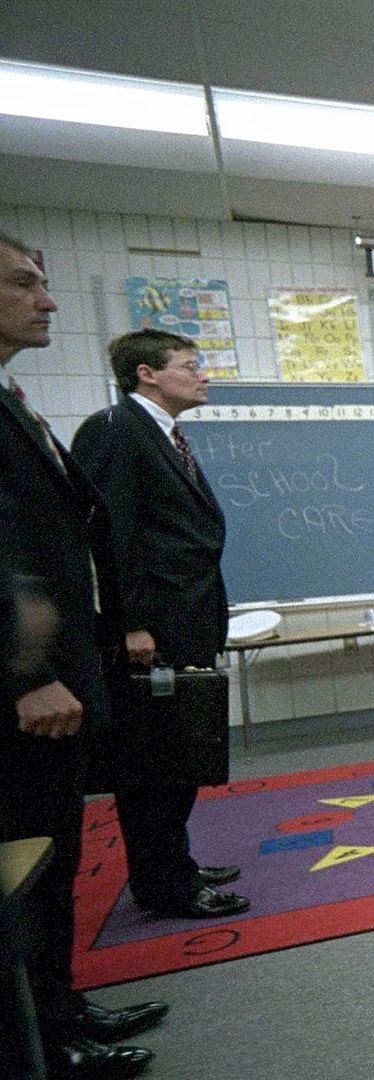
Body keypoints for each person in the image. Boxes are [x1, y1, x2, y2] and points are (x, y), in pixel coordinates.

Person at [0, 230, 160, 1078]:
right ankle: (39, 1044)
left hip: (62, 673)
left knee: (55, 855)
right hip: (26, 691)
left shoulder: (13, 400)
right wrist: (25, 673)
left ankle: (59, 1008)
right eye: (24, 283)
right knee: (25, 866)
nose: (49, 300)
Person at [71, 330, 249, 921]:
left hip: (187, 614)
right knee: (153, 761)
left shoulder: (162, 434)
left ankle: (174, 865)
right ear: (147, 373)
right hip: (152, 627)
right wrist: (131, 625)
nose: (203, 376)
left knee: (179, 754)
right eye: (190, 366)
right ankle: (165, 884)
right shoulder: (115, 430)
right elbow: (109, 535)